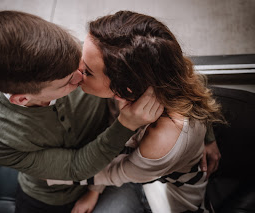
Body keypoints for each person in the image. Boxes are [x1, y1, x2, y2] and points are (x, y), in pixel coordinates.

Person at [0, 10, 164, 213]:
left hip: (113, 173)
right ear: (23, 98)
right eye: (69, 81)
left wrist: (198, 131)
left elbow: (159, 68)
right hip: (50, 197)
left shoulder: (79, 56)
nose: (82, 77)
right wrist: (126, 125)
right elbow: (74, 167)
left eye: (83, 67)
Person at [46, 10, 226, 213]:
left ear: (124, 88)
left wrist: (48, 173)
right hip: (136, 171)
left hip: (165, 199)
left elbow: (116, 171)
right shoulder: (154, 70)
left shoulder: (163, 138)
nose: (76, 69)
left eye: (87, 71)